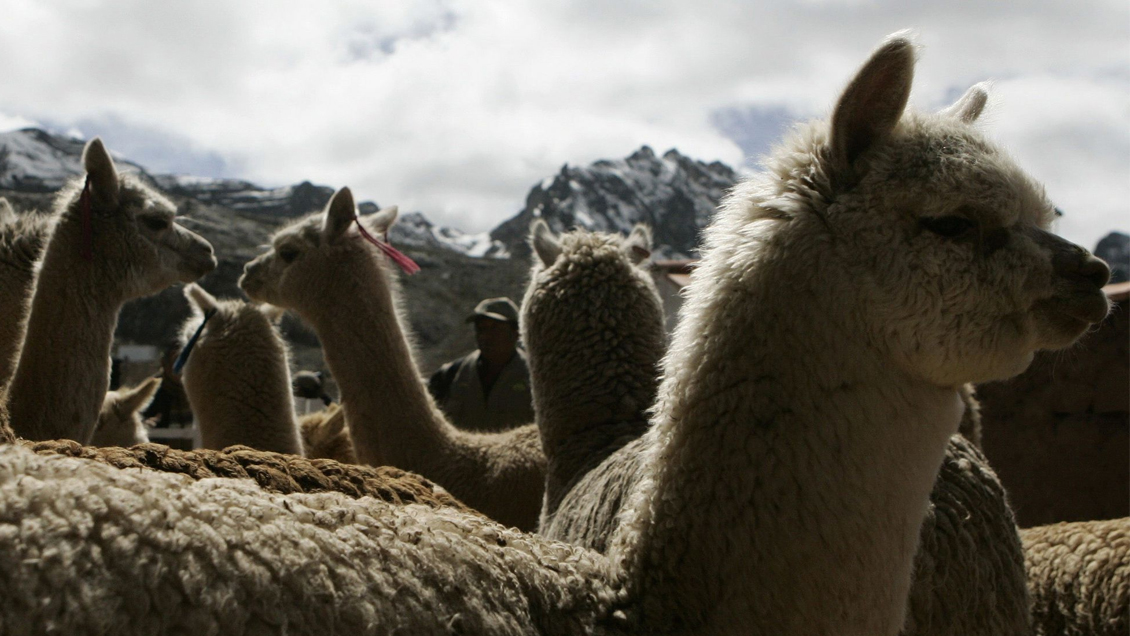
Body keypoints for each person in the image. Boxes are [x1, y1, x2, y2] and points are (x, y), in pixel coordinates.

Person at [427, 297, 534, 432]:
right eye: (481, 328)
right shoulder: (449, 375)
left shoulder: (536, 378)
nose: (486, 336)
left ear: (516, 332)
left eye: (495, 328)